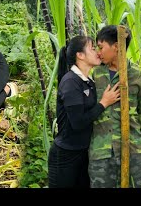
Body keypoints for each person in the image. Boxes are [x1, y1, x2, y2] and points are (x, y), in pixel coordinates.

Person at [47, 36, 120, 188]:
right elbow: (78, 122)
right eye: (93, 48)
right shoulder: (71, 82)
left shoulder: (88, 81)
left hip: (83, 152)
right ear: (80, 55)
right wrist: (104, 103)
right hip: (65, 155)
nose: (97, 52)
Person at [89, 25, 141, 188]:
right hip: (102, 152)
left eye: (101, 47)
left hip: (134, 151)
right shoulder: (95, 74)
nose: (98, 52)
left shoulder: (140, 76)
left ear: (117, 46)